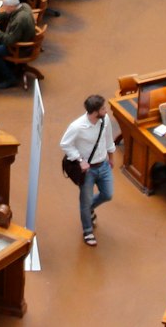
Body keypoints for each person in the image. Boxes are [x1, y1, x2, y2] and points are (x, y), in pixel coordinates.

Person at [60, 94, 120, 246]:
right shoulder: (77, 127)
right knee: (85, 201)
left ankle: (88, 209)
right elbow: (65, 144)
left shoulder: (104, 120)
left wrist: (111, 158)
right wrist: (80, 160)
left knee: (108, 194)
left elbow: (108, 139)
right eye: (103, 109)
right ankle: (87, 230)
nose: (106, 111)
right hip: (88, 171)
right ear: (94, 112)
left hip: (103, 165)